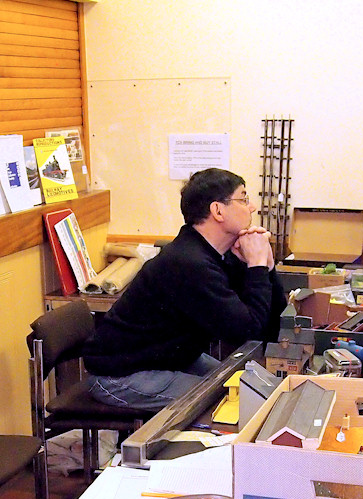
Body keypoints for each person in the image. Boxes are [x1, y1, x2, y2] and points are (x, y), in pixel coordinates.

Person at [83, 168, 286, 409]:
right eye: (243, 199)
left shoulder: (217, 255)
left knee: (250, 389)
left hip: (170, 360)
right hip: (119, 375)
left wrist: (266, 267)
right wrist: (257, 267)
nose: (252, 207)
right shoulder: (189, 263)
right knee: (232, 403)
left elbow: (269, 325)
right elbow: (246, 331)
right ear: (218, 211)